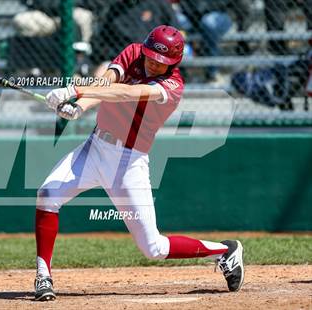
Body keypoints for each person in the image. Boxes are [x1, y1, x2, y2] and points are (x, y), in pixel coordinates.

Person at [34, 25, 245, 301]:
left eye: (162, 62)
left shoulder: (172, 87)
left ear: (174, 63)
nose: (154, 63)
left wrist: (73, 89)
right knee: (47, 194)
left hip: (128, 163)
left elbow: (126, 94)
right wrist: (80, 106)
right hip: (94, 148)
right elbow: (106, 84)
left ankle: (224, 251)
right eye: (151, 57)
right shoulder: (133, 52)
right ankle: (43, 275)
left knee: (153, 248)